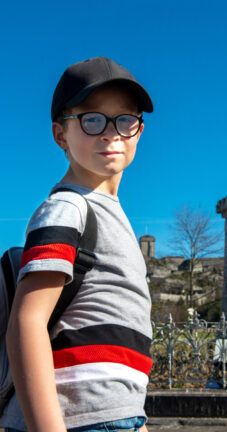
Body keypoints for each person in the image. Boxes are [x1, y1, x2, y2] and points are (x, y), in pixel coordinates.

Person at [0, 57, 154, 432]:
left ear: (140, 131)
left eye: (125, 120)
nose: (111, 133)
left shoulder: (113, 216)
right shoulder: (67, 209)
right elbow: (27, 322)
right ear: (60, 134)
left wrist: (135, 418)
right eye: (92, 119)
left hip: (116, 416)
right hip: (81, 419)